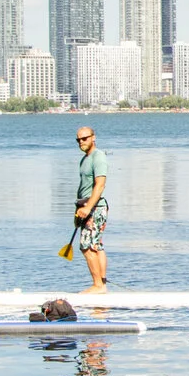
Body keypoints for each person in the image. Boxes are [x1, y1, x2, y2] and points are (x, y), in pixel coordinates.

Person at [71, 125, 110, 293]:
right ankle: (102, 284)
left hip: (94, 207)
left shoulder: (98, 157)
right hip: (86, 207)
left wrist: (88, 207)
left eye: (84, 138)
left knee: (86, 246)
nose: (81, 142)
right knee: (96, 245)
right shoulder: (85, 159)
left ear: (93, 137)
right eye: (78, 140)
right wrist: (80, 209)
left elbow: (100, 185)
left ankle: (98, 285)